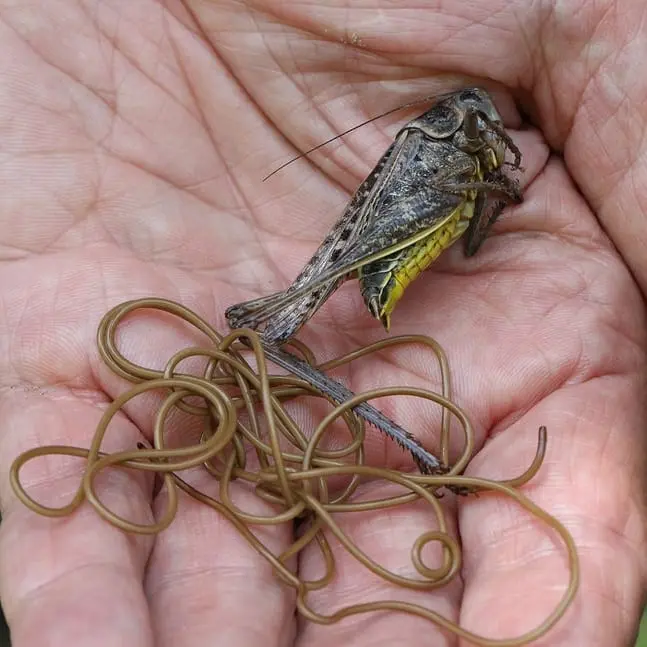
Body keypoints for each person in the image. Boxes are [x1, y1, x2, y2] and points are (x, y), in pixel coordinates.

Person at [0, 2, 645, 646]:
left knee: (476, 191)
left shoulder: (469, 137)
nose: (482, 128)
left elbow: (478, 227)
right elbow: (447, 198)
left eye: (482, 121)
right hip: (376, 245)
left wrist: (492, 182)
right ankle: (389, 428)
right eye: (471, 121)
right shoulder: (428, 146)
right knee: (285, 314)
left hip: (427, 218)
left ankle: (368, 414)